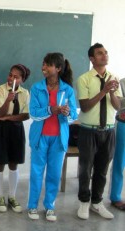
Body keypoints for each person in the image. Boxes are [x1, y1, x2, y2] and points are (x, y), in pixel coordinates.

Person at [27, 53, 78, 221]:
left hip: (59, 139)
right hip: (40, 138)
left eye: (47, 65)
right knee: (36, 173)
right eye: (43, 64)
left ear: (58, 68)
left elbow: (72, 118)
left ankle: (49, 206)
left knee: (54, 174)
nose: (43, 67)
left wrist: (66, 113)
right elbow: (33, 114)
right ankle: (32, 206)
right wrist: (51, 110)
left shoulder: (68, 90)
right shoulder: (36, 88)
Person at [76, 43, 121, 220]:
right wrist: (103, 90)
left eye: (106, 52)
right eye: (100, 53)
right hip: (88, 131)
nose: (104, 55)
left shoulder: (113, 77)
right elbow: (85, 107)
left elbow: (118, 107)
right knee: (85, 169)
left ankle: (97, 202)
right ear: (92, 59)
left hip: (109, 131)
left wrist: (111, 93)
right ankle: (84, 203)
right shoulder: (84, 79)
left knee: (102, 170)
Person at [0, 64, 30, 213]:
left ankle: (12, 197)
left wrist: (9, 117)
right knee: (0, 162)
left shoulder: (25, 93)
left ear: (22, 79)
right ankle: (0, 196)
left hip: (16, 129)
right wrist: (8, 100)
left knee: (14, 163)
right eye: (10, 74)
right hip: (0, 130)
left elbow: (26, 115)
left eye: (16, 77)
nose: (11, 78)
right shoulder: (0, 90)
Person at [110, 77, 125, 211]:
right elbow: (119, 104)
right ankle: (115, 197)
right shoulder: (122, 82)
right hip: (123, 125)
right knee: (119, 162)